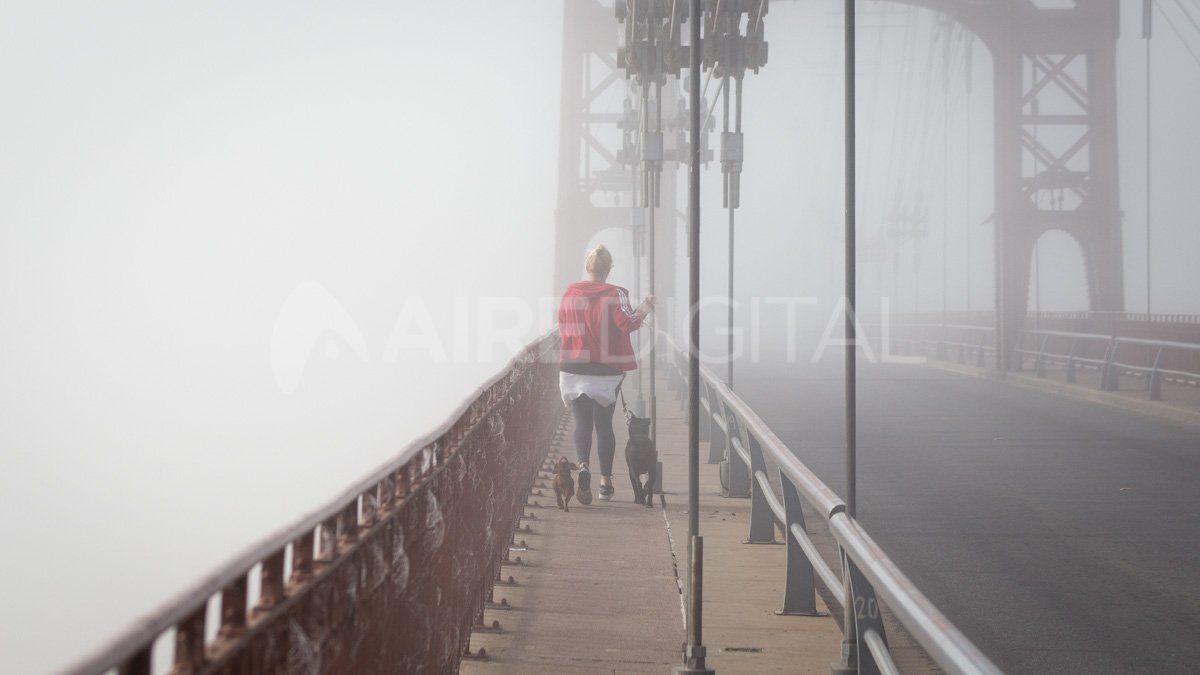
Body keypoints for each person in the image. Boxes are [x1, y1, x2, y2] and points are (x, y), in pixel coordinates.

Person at [557, 245, 654, 504]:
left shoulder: (570, 292)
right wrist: (645, 307)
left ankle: (583, 465)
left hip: (573, 366)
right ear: (609, 269)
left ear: (587, 267)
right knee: (603, 425)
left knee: (582, 423)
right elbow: (628, 323)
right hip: (605, 369)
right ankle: (605, 483)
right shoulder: (616, 293)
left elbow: (562, 324)